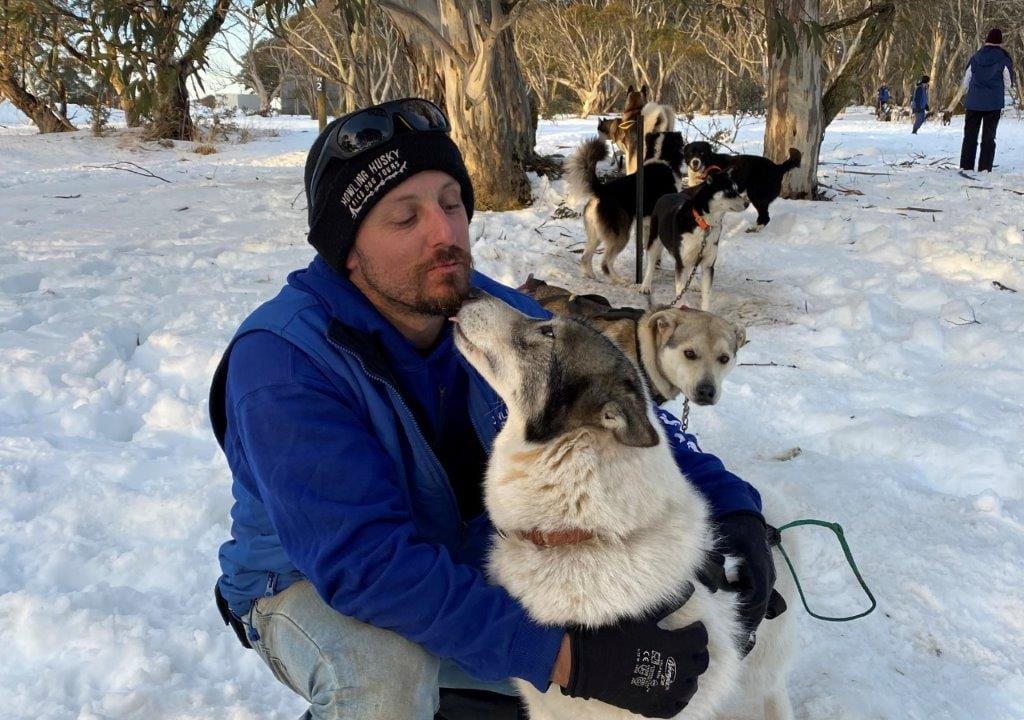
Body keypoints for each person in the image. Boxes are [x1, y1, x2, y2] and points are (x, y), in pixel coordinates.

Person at [209, 97, 780, 720]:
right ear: (348, 250)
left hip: (454, 555)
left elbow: (627, 417)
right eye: (406, 218)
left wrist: (737, 515)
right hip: (307, 582)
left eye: (452, 205)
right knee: (385, 678)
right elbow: (365, 562)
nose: (445, 234)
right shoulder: (283, 364)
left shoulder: (495, 318)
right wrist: (569, 658)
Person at [960, 28, 1017, 172]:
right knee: (989, 137)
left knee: (970, 136)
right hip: (993, 104)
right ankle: (985, 167)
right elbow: (1008, 82)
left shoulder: (975, 57)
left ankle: (966, 166)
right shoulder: (1004, 58)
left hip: (973, 103)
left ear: (987, 40)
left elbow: (966, 81)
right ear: (1000, 42)